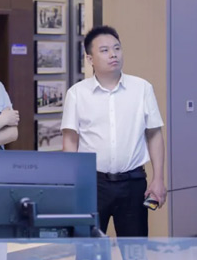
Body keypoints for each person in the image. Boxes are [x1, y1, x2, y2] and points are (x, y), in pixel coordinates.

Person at [61, 25, 166, 238]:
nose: (113, 54)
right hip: (92, 184)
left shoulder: (142, 88)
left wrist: (158, 178)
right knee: (87, 249)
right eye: (105, 50)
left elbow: (154, 134)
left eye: (117, 48)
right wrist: (73, 184)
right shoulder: (77, 94)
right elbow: (70, 142)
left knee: (135, 250)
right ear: (90, 59)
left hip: (133, 182)